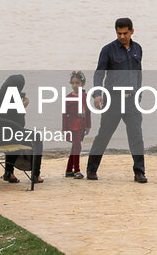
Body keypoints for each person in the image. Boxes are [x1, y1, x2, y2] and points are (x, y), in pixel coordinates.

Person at [86, 17, 147, 183]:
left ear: (132, 31)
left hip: (132, 100)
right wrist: (97, 94)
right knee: (104, 135)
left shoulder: (138, 49)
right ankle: (91, 169)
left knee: (136, 136)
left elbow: (138, 73)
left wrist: (139, 95)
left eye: (125, 33)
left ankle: (139, 172)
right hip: (112, 100)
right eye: (119, 33)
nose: (122, 36)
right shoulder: (108, 50)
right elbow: (99, 73)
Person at [0, 74, 44, 186]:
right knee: (36, 137)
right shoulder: (13, 100)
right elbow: (21, 124)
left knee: (12, 134)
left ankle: (8, 173)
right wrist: (22, 106)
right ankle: (36, 174)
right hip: (3, 139)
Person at [62, 71, 91, 179]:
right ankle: (77, 170)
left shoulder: (85, 96)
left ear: (82, 83)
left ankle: (69, 170)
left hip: (81, 125)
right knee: (77, 146)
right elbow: (64, 114)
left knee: (75, 147)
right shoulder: (68, 97)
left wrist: (88, 125)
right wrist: (64, 128)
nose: (74, 85)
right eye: (72, 83)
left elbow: (88, 112)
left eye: (77, 83)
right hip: (72, 125)